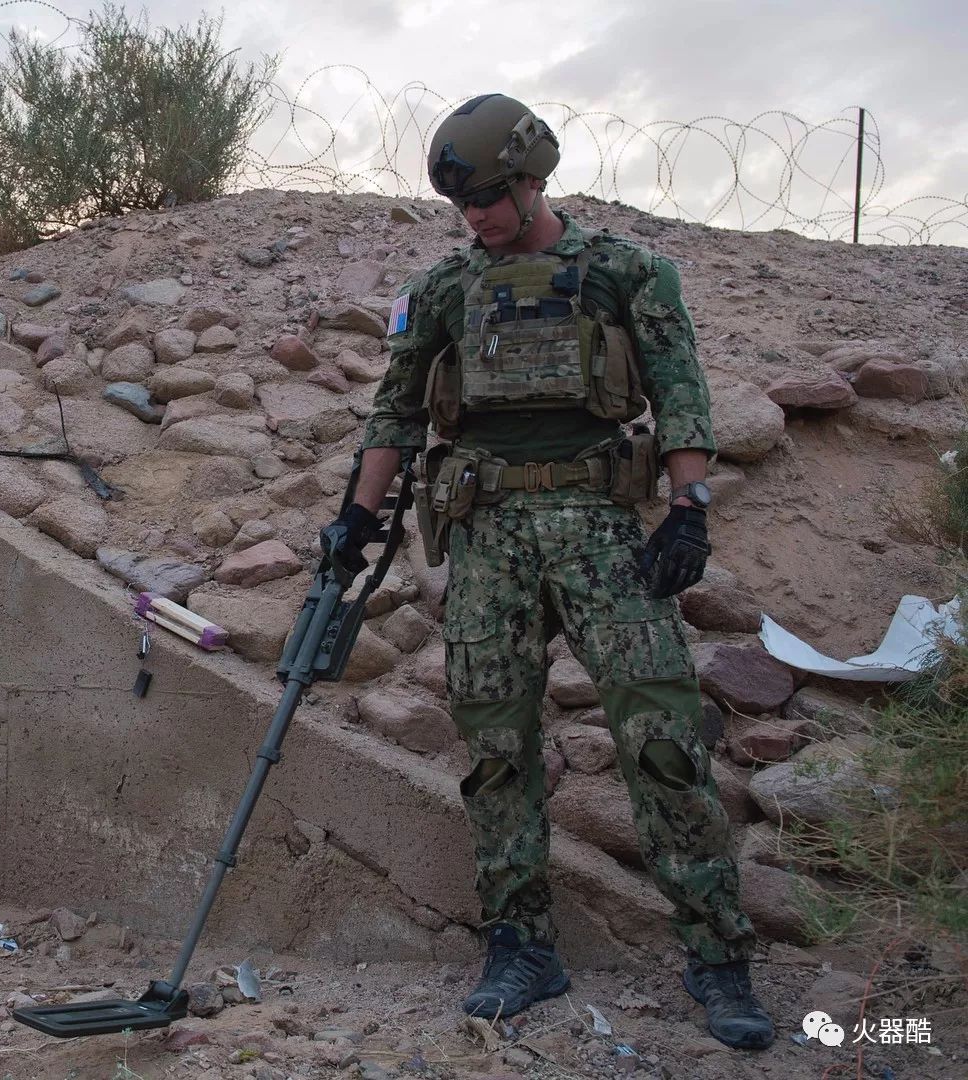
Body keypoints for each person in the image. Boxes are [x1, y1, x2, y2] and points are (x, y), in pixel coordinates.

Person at [320, 93, 774, 1051]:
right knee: (495, 753)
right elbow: (396, 416)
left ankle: (719, 954)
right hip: (485, 538)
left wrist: (688, 509)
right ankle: (520, 946)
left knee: (660, 738)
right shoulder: (443, 289)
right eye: (463, 204)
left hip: (602, 532)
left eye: (491, 196)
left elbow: (681, 397)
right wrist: (356, 520)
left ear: (534, 178)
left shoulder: (625, 272)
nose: (477, 217)